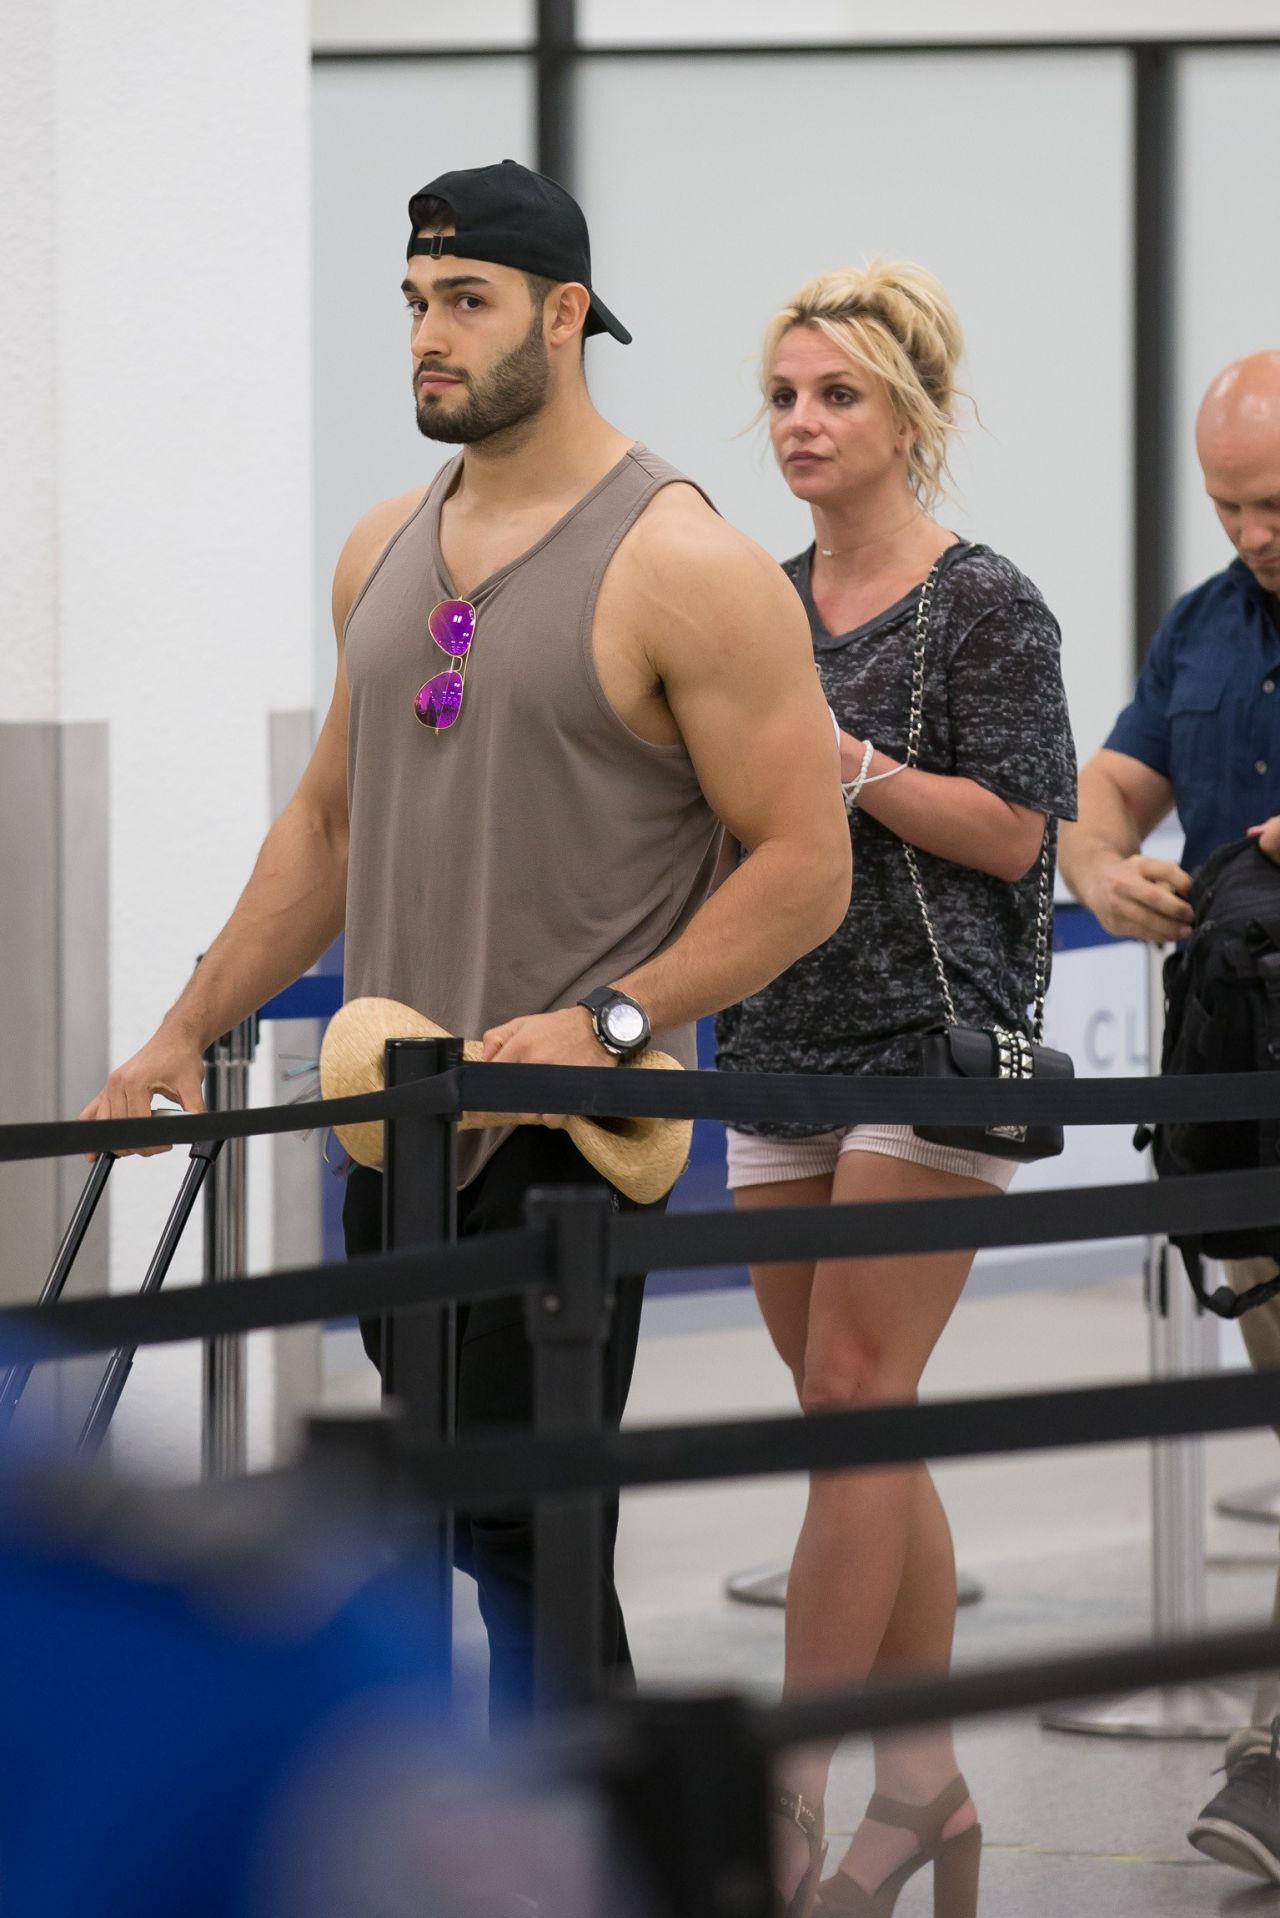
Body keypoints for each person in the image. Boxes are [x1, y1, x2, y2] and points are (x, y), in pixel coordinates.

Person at [80, 160, 851, 1719]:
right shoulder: (384, 545)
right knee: (439, 1518)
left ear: (563, 317)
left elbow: (803, 866)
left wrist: (613, 1023)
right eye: (416, 302)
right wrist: (183, 1026)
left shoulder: (681, 561)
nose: (428, 335)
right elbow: (327, 831)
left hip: (569, 1137)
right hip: (394, 1129)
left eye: (467, 302)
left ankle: (580, 1867)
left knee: (527, 1537)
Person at [714, 261, 1077, 1917]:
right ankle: (924, 1782)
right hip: (779, 1031)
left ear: (908, 414)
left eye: (836, 395)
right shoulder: (754, 601)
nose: (802, 422)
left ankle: (796, 1785)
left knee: (858, 1396)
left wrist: (847, 763)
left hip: (933, 1037)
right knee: (853, 1411)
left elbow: (1019, 832)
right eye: (786, 394)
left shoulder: (984, 599)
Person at [1060, 350, 1280, 1887]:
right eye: (1230, 505)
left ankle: (1273, 1744)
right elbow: (1110, 793)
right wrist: (1094, 865)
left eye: (1276, 502)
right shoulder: (1203, 626)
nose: (1255, 529)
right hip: (1245, 1083)